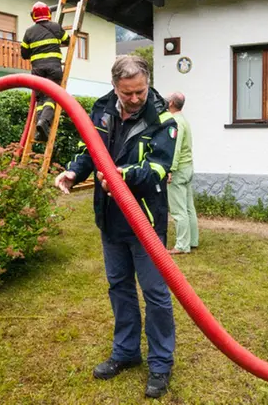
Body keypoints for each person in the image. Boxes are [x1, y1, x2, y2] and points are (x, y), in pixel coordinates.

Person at [54, 55, 178, 399]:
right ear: (115, 87)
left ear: (147, 83)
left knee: (154, 294)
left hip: (145, 221)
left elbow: (159, 169)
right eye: (128, 93)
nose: (135, 99)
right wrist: (74, 171)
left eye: (139, 91)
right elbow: (90, 149)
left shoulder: (163, 119)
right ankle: (126, 352)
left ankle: (160, 363)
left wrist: (122, 176)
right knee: (119, 287)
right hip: (110, 218)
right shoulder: (102, 107)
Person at [20, 1, 71, 142]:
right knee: (51, 97)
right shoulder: (55, 27)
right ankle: (44, 123)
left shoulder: (29, 32)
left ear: (33, 16)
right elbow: (68, 41)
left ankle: (39, 130)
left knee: (40, 99)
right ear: (48, 13)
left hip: (37, 71)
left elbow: (24, 54)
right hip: (54, 68)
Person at [165, 93, 199, 255]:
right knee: (188, 207)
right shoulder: (184, 120)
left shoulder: (176, 122)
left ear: (171, 103)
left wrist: (170, 169)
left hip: (178, 170)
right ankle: (192, 241)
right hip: (188, 167)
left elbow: (175, 148)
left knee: (178, 210)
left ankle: (181, 245)